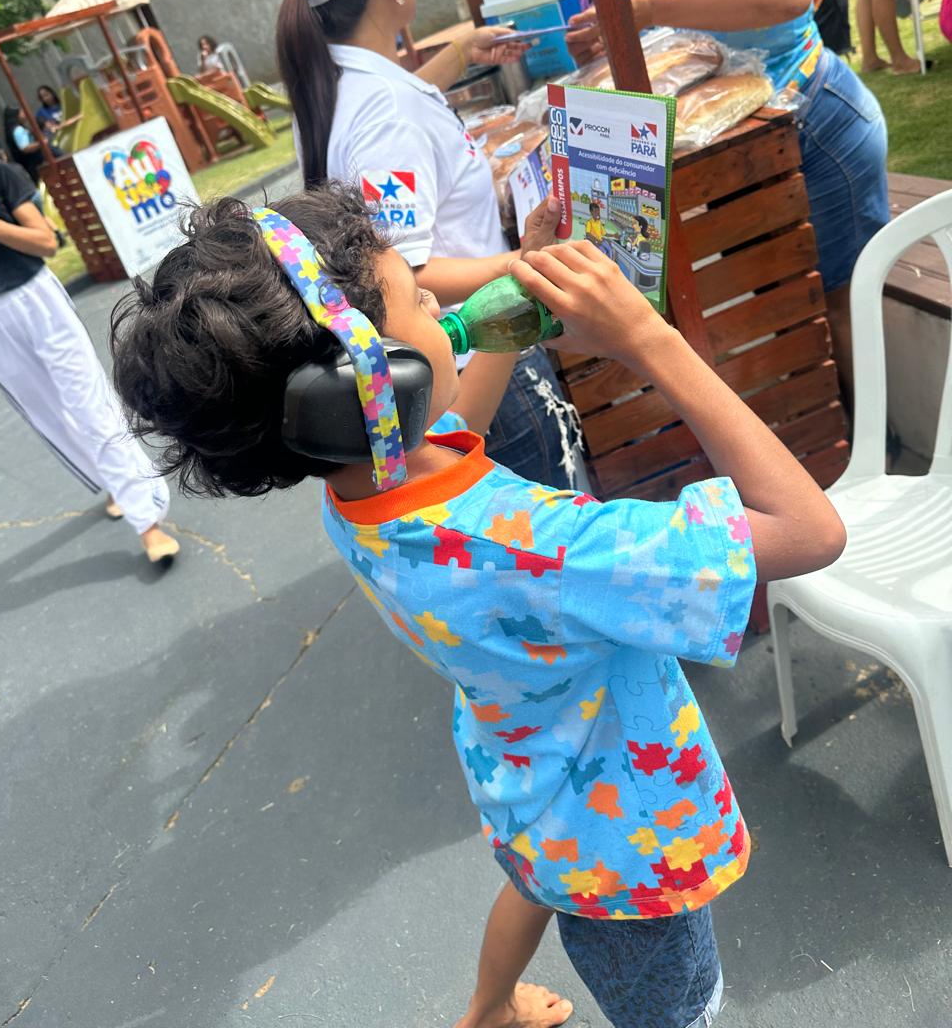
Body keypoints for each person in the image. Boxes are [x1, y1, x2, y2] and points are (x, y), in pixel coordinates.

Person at [110, 183, 846, 1028]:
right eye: (420, 297)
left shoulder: (360, 487)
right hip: (631, 843)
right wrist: (653, 343)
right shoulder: (548, 549)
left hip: (529, 776)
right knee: (678, 1009)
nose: (439, 298)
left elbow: (455, 430)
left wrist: (497, 319)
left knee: (536, 879)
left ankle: (488, 1010)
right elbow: (810, 529)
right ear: (379, 382)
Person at [565, 0, 889, 408]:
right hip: (751, 160)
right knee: (796, 305)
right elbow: (682, 56)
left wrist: (651, 9)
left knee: (843, 302)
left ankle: (884, 448)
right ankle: (841, 445)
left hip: (819, 131)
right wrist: (611, 48)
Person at [275, 0, 579, 488]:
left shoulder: (339, 84)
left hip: (448, 370)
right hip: (480, 363)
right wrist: (528, 262)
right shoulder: (387, 111)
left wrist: (458, 54)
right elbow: (409, 271)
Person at [0, 154, 179, 565]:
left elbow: (44, 241)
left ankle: (147, 522)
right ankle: (114, 481)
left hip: (35, 299)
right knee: (48, 414)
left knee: (86, 401)